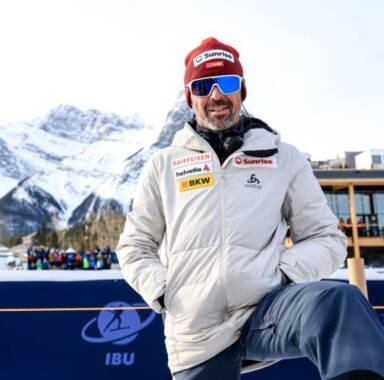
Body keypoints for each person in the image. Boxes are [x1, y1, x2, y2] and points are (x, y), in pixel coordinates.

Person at [116, 37, 384, 379]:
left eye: (226, 83)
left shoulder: (283, 157)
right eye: (202, 85)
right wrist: (167, 294)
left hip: (267, 310)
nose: (216, 95)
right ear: (190, 97)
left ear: (242, 90)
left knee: (339, 302)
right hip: (196, 331)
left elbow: (327, 238)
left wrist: (283, 274)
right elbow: (134, 246)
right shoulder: (163, 165)